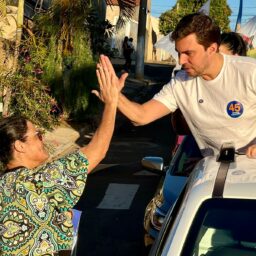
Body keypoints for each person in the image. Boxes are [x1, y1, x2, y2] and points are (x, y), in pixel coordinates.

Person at [95, 13, 256, 158]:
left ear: (212, 49)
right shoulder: (181, 82)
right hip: (211, 171)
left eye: (189, 53)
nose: (181, 61)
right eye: (179, 53)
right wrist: (115, 95)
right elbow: (141, 116)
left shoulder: (249, 72)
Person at [0, 65, 118, 255]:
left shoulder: (4, 186)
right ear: (19, 146)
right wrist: (112, 103)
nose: (43, 138)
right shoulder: (39, 182)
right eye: (37, 134)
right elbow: (97, 149)